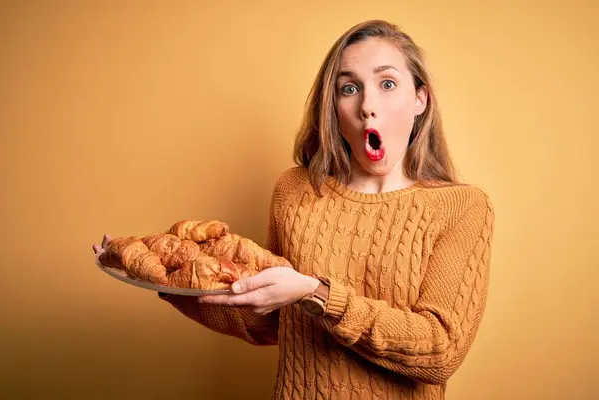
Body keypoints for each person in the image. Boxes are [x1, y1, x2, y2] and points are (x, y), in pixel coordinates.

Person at [95, 19, 495, 400]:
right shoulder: (295, 191)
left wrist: (317, 294)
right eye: (349, 89)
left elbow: (441, 350)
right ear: (333, 106)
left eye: (387, 83)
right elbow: (271, 322)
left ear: (420, 99)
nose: (367, 106)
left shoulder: (461, 207)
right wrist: (163, 280)